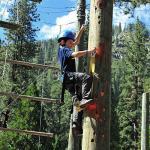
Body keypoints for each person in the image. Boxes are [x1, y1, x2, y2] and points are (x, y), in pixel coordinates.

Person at [57, 25, 96, 135]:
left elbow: (76, 42)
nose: (72, 44)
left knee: (78, 101)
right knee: (86, 77)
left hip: (67, 82)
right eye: (70, 42)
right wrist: (88, 52)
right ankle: (86, 98)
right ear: (63, 42)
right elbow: (76, 54)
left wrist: (81, 30)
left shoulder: (64, 47)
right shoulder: (64, 50)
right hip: (68, 76)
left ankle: (76, 124)